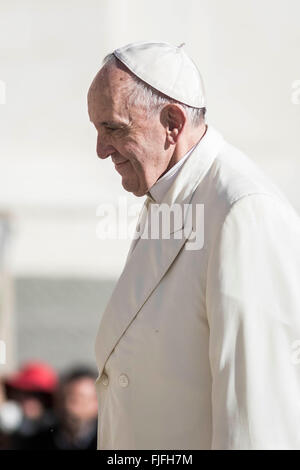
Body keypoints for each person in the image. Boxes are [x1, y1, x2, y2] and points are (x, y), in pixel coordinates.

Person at [88, 41, 300, 450]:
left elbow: (257, 419)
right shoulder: (170, 192)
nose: (100, 150)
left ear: (172, 122)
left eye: (113, 128)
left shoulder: (242, 210)